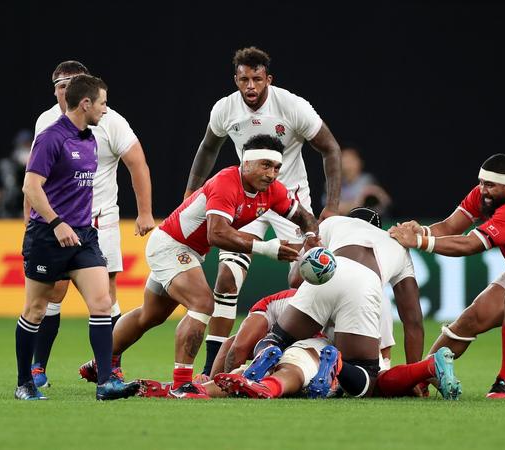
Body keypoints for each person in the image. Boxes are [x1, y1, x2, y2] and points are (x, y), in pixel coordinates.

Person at [79, 134, 319, 399]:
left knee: (151, 315)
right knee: (203, 303)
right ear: (246, 162)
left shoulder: (271, 190)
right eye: (265, 165)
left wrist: (310, 240)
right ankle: (182, 384)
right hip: (171, 246)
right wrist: (266, 248)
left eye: (276, 168)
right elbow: (216, 234)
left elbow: (304, 217)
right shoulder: (227, 182)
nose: (272, 174)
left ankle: (100, 364)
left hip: (189, 251)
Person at [183, 47, 342, 377]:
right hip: (245, 202)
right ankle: (212, 369)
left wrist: (332, 206)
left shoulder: (292, 106)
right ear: (236, 80)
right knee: (227, 278)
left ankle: (298, 357)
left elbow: (330, 148)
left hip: (290, 204)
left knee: (302, 281)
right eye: (244, 79)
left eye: (257, 79)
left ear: (269, 79)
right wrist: (190, 194)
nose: (251, 86)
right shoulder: (225, 109)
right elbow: (207, 149)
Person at [389, 153, 505, 398]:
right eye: (481, 183)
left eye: (490, 185)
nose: (482, 190)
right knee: (468, 320)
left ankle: (504, 383)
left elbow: (469, 245)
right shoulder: (484, 195)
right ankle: (420, 378)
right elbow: (448, 227)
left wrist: (418, 242)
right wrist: (419, 230)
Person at [26, 60, 155, 389]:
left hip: (99, 221)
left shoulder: (110, 120)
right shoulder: (46, 123)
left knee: (105, 295)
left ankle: (110, 368)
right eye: (59, 84)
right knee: (52, 292)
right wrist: (32, 222)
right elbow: (33, 179)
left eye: (71, 83)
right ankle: (37, 367)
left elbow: (136, 162)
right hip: (55, 222)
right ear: (54, 89)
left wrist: (144, 212)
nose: (64, 90)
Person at [246, 208, 453, 399]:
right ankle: (339, 364)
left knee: (278, 338)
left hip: (330, 271)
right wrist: (414, 377)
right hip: (367, 284)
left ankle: (266, 354)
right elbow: (413, 321)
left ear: (351, 217)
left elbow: (295, 280)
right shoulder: (397, 245)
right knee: (367, 375)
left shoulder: (333, 222)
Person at [323, 145, 391, 216]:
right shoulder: (332, 184)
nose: (347, 165)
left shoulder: (367, 180)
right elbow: (331, 209)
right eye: (344, 160)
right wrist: (358, 204)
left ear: (359, 162)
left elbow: (384, 204)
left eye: (350, 160)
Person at [0, 129, 32, 218]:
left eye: (27, 144)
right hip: (9, 210)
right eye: (23, 144)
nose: (25, 147)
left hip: (32, 212)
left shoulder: (41, 164)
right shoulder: (6, 165)